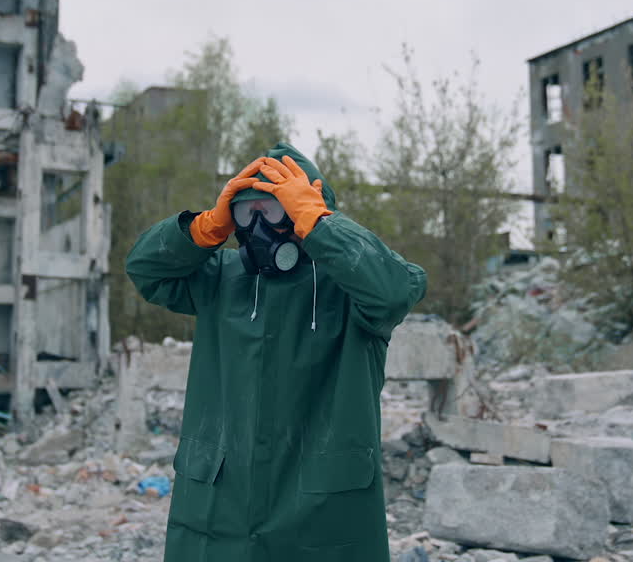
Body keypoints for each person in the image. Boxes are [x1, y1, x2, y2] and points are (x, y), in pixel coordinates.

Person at [126, 141, 427, 562]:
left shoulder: (351, 288)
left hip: (319, 513)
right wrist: (205, 226)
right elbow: (145, 270)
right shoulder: (220, 280)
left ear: (306, 210)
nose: (257, 226)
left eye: (272, 210)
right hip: (219, 511)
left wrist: (323, 226)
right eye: (246, 213)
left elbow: (395, 290)